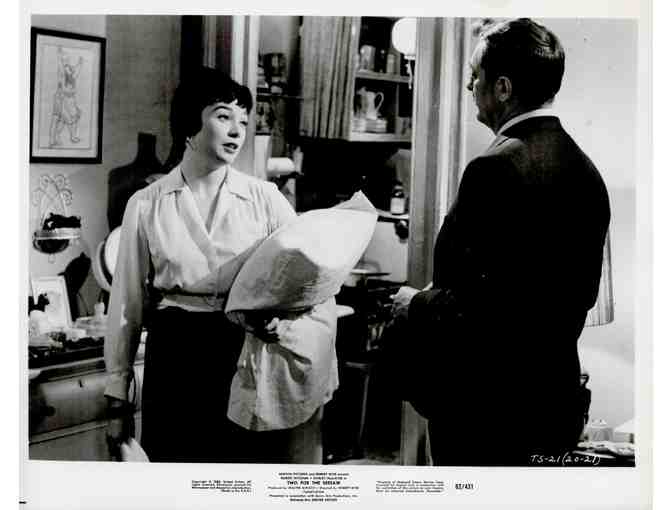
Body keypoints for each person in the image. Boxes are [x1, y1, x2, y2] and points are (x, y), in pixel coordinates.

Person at [391, 18, 610, 466]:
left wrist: (414, 303)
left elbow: (484, 310)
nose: (469, 86)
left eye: (475, 75)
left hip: (485, 413)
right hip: (553, 404)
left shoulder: (492, 168)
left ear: (503, 88)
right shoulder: (587, 171)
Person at [104, 67, 338, 463]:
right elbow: (126, 306)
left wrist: (282, 321)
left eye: (243, 121)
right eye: (223, 116)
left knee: (240, 475)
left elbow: (309, 281)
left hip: (242, 354)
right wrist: (117, 396)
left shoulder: (266, 199)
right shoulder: (146, 204)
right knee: (176, 472)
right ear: (189, 125)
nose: (236, 131)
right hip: (174, 355)